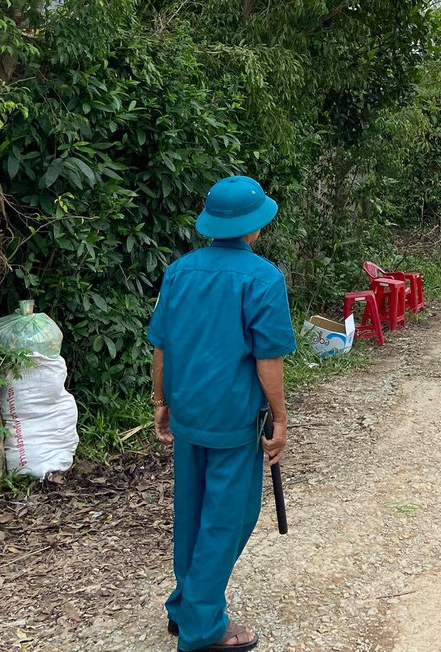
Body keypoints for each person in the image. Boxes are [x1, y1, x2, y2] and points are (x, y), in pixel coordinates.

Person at [148, 176, 297, 652]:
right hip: (232, 418)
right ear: (255, 226)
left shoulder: (180, 272)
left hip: (189, 413)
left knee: (191, 512)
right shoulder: (263, 278)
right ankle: (203, 628)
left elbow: (162, 345)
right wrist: (280, 418)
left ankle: (185, 605)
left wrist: (160, 402)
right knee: (229, 517)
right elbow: (267, 358)